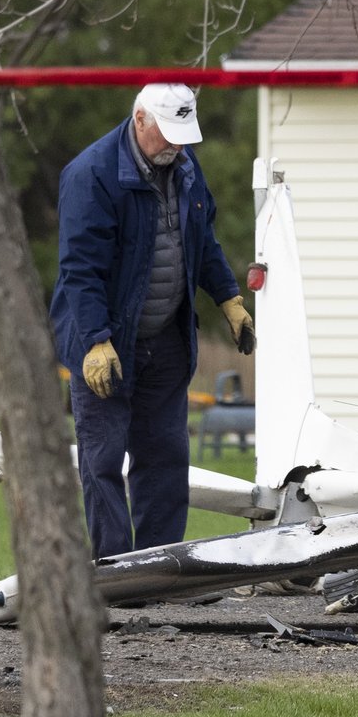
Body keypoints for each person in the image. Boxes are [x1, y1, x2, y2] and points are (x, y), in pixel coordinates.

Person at [50, 83, 255, 559]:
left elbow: (202, 241)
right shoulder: (91, 175)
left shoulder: (183, 167)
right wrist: (97, 342)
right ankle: (116, 570)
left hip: (164, 338)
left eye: (184, 134)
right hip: (105, 341)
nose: (177, 145)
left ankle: (159, 566)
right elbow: (80, 269)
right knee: (102, 461)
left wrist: (228, 297)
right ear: (140, 119)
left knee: (165, 456)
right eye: (168, 134)